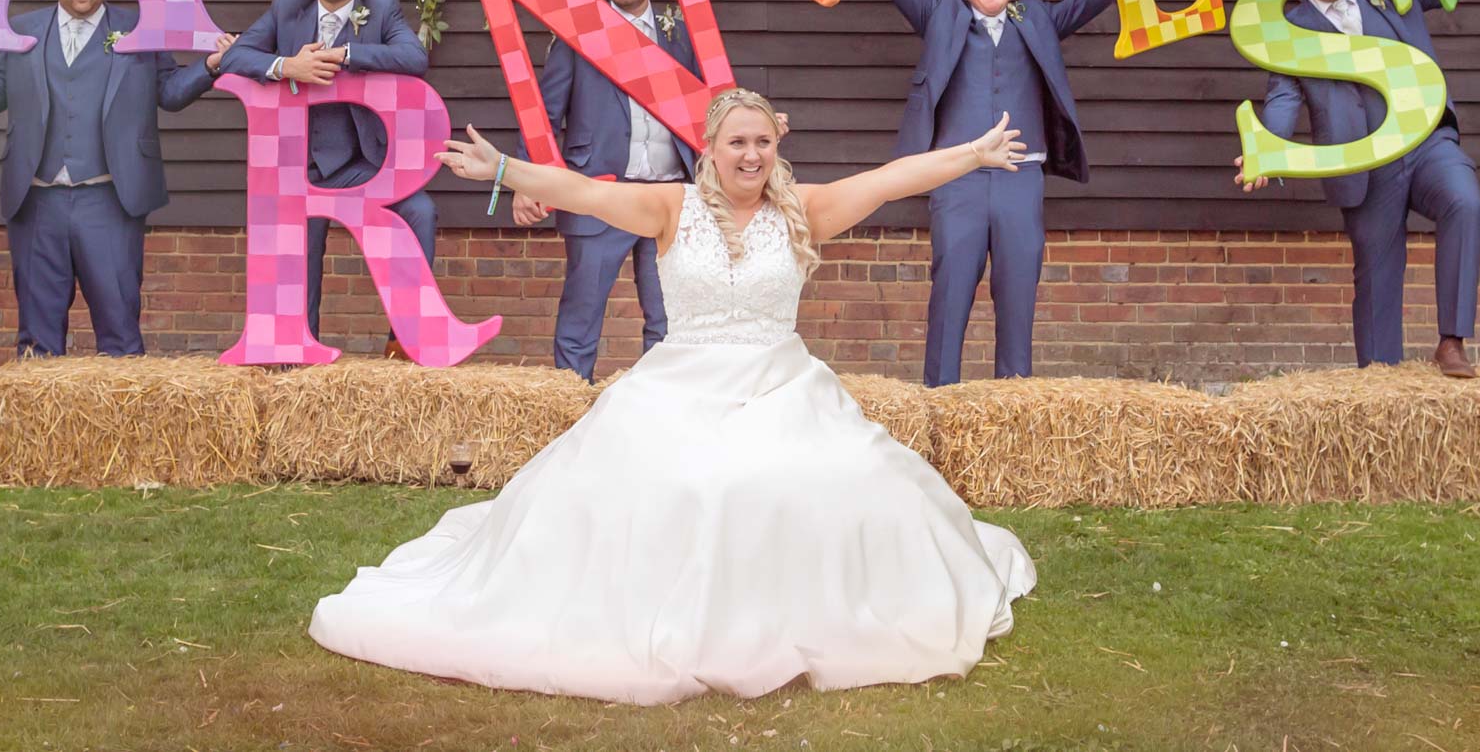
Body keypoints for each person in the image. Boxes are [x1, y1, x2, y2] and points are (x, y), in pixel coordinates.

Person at [309, 88, 1038, 705]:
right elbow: (585, 191)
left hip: (781, 384)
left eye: (761, 142)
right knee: (677, 481)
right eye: (736, 143)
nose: (750, 155)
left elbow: (892, 178)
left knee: (840, 477)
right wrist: (504, 168)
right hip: (679, 382)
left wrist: (972, 155)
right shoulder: (671, 208)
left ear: (775, 146)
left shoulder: (804, 209)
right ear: (711, 148)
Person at [1236, 0, 1480, 377]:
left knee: (1464, 203)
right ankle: (1380, 384)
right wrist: (1266, 152)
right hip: (1363, 166)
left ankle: (1451, 342)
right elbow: (1282, 99)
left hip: (1426, 144)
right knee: (1377, 279)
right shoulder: (1290, 30)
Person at [852, 0, 1116, 387]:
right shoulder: (942, 17)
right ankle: (938, 402)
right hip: (958, 180)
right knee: (950, 295)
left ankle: (1012, 409)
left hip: (1021, 176)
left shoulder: (1038, 18)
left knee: (1018, 293)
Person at [0, 0, 230, 358]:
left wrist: (209, 66)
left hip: (111, 198)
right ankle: (37, 421)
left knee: (119, 329)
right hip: (36, 199)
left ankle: (121, 421)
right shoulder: (21, 30)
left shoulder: (140, 28)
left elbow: (170, 93)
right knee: (37, 335)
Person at [217, 0, 434, 341]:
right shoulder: (286, 8)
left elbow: (414, 57)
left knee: (420, 211)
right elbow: (236, 55)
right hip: (302, 167)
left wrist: (349, 55)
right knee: (297, 258)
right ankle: (297, 351)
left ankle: (407, 341)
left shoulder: (382, 9)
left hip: (363, 164)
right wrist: (285, 66)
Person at [510, 0, 700, 380]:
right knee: (581, 320)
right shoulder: (576, 38)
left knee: (669, 324)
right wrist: (525, 181)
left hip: (669, 199)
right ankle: (572, 419)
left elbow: (709, 108)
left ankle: (661, 414)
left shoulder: (679, 36)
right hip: (598, 192)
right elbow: (544, 111)